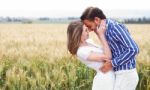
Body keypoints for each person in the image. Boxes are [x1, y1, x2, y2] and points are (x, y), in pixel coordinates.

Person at [80, 6, 140, 90]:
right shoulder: (104, 30)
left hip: (126, 74)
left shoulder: (114, 27)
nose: (89, 30)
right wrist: (99, 34)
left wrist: (112, 63)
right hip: (120, 74)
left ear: (96, 20)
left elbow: (134, 49)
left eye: (89, 26)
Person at [67, 20, 115, 90]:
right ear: (79, 34)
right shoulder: (81, 51)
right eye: (85, 30)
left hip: (110, 74)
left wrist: (98, 33)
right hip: (105, 78)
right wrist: (101, 35)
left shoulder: (89, 41)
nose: (88, 31)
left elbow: (107, 51)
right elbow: (108, 56)